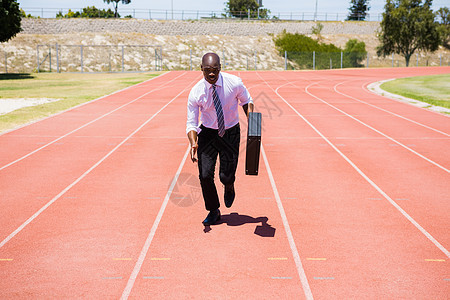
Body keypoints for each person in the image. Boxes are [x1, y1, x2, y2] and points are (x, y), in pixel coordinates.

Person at [186, 52, 254, 226]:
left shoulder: (234, 83)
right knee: (205, 175)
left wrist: (253, 124)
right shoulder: (195, 93)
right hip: (207, 133)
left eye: (214, 70)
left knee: (225, 176)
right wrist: (193, 143)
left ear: (220, 68)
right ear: (201, 69)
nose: (211, 74)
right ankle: (213, 210)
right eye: (207, 70)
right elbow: (191, 123)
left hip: (230, 132)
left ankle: (229, 184)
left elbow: (247, 101)